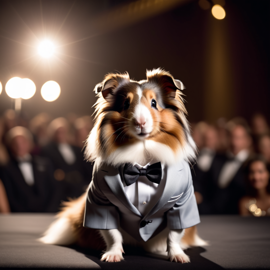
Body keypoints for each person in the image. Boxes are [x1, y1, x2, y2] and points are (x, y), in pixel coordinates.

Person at [0, 126, 60, 212]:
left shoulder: (45, 163)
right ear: (10, 146)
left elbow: (55, 190)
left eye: (23, 142)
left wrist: (49, 211)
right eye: (15, 143)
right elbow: (9, 197)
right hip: (20, 217)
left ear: (30, 143)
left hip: (48, 214)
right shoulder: (5, 169)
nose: (19, 146)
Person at [207, 118, 252, 214]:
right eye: (232, 137)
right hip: (212, 215)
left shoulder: (252, 164)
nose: (234, 142)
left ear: (247, 140)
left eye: (238, 138)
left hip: (238, 216)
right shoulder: (218, 159)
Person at [41, 117, 92, 202]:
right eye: (58, 132)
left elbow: (84, 168)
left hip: (79, 188)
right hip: (61, 189)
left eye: (63, 132)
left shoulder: (76, 149)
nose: (61, 135)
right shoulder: (47, 150)